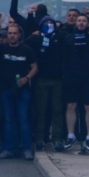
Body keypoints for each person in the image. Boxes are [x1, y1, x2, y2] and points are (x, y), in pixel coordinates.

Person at [0, 14, 38, 160]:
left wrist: (27, 78)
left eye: (15, 33)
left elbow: (35, 68)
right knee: (8, 119)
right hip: (5, 89)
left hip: (23, 90)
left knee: (23, 119)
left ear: (20, 35)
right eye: (10, 33)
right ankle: (9, 149)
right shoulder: (2, 48)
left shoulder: (27, 50)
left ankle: (26, 149)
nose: (12, 36)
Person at [24, 16, 67, 151]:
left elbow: (71, 36)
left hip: (57, 79)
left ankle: (57, 138)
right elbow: (24, 44)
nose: (48, 25)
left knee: (57, 110)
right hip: (41, 79)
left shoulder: (60, 37)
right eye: (45, 24)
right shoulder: (37, 39)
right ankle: (39, 138)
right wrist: (34, 35)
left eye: (51, 23)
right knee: (40, 111)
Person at [62, 12, 89, 154]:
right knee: (70, 106)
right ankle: (70, 135)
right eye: (79, 20)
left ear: (88, 23)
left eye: (83, 21)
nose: (81, 23)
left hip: (88, 77)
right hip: (71, 78)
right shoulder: (68, 38)